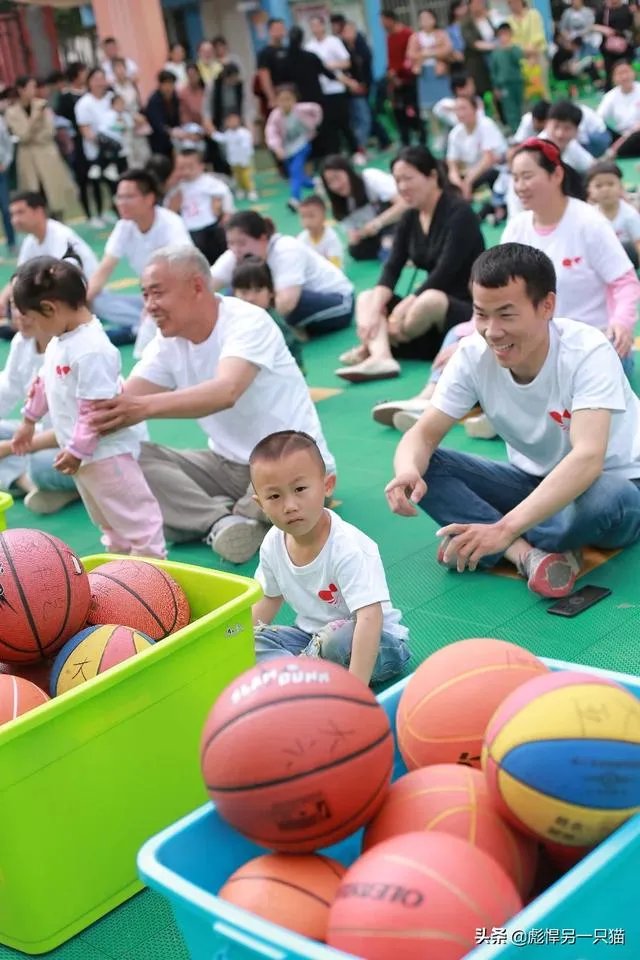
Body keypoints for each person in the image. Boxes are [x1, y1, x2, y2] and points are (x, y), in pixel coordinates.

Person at [385, 243, 640, 598]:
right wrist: (407, 471)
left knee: (600, 497)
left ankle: (485, 539)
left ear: (547, 305)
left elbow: (588, 458)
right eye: (481, 315)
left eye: (506, 314)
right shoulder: (472, 354)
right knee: (425, 468)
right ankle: (525, 555)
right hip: (533, 482)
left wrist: (504, 527)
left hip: (616, 482)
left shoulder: (587, 350)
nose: (491, 331)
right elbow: (422, 434)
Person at [89, 245, 336, 565]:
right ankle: (221, 521)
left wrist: (142, 407)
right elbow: (119, 403)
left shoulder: (247, 321)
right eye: (145, 295)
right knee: (128, 458)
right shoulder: (167, 343)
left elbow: (226, 390)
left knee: (286, 492)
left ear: (196, 286)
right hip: (225, 464)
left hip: (287, 463)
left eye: (157, 293)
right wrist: (35, 438)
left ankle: (223, 514)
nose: (149, 306)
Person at [11, 256, 165, 558]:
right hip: (82, 455)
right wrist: (29, 421)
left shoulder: (92, 349)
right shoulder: (61, 340)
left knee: (138, 521)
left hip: (108, 454)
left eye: (32, 317)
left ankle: (155, 578)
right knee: (107, 521)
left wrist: (77, 450)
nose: (32, 325)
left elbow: (95, 410)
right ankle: (120, 568)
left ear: (50, 309)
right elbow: (43, 382)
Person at [251, 430, 410, 686]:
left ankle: (298, 677)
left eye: (300, 489)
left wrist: (354, 691)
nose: (290, 505)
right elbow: (268, 599)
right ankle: (304, 676)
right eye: (274, 496)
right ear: (260, 504)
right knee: (250, 640)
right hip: (310, 640)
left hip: (376, 645)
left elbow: (370, 619)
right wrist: (236, 643)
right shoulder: (273, 542)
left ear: (327, 485)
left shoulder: (347, 546)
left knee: (335, 639)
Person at [337, 145, 484, 385]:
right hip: (420, 312)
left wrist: (407, 302)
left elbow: (446, 271)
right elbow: (392, 267)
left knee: (429, 299)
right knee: (368, 298)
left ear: (432, 176)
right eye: (397, 180)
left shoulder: (460, 214)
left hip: (459, 309)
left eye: (408, 178)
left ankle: (376, 344)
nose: (402, 187)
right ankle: (382, 356)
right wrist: (376, 310)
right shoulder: (409, 217)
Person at [503, 138, 639, 379]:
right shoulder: (516, 229)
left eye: (527, 176)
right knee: (461, 342)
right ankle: (430, 401)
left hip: (593, 345)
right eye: (515, 178)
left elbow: (625, 282)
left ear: (556, 175)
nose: (519, 186)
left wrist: (621, 323)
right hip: (537, 344)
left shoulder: (589, 223)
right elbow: (499, 291)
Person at [0, 191, 143, 341]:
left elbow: (63, 282)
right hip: (65, 301)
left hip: (87, 295)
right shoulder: (31, 241)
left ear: (39, 211)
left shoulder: (60, 236)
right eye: (13, 215)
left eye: (20, 213)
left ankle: (141, 326)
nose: (15, 220)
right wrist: (3, 301)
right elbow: (19, 277)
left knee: (102, 307)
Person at [86, 169, 193, 351]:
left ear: (149, 198)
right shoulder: (124, 227)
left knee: (159, 311)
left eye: (129, 197)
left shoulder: (171, 224)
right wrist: (80, 305)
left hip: (176, 294)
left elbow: (183, 272)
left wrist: (153, 304)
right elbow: (105, 268)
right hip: (149, 299)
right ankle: (145, 324)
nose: (121, 203)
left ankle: (148, 324)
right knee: (97, 301)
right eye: (119, 197)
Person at [212, 211, 354, 337]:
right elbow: (208, 285)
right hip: (294, 304)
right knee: (234, 292)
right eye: (230, 243)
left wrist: (248, 328)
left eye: (242, 243)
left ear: (263, 238)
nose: (236, 249)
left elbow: (287, 303)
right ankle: (294, 329)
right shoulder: (235, 255)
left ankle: (285, 330)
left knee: (270, 299)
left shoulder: (286, 249)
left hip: (339, 302)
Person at [0, 290, 79, 513]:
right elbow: (7, 388)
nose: (19, 314)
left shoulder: (73, 351)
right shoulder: (23, 342)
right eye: (15, 305)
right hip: (42, 434)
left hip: (80, 447)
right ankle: (30, 483)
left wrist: (7, 448)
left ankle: (28, 481)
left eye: (27, 306)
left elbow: (77, 432)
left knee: (41, 464)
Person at [6, 76, 76, 219]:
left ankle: (58, 223)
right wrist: (35, 120)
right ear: (21, 90)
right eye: (31, 87)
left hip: (47, 154)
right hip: (28, 159)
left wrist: (32, 133)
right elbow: (22, 135)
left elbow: (50, 131)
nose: (34, 90)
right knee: (33, 196)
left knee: (54, 194)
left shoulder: (42, 105)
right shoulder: (12, 112)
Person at [321, 155, 406, 261]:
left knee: (387, 208)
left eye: (337, 177)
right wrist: (359, 234)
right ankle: (391, 245)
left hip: (397, 219)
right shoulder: (339, 205)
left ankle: (392, 244)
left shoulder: (370, 178)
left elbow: (404, 203)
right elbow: (352, 236)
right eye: (330, 182)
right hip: (376, 232)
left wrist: (378, 222)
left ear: (348, 171)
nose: (336, 185)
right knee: (355, 250)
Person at [231, 256, 305, 373]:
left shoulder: (274, 323)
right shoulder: (233, 320)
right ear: (234, 293)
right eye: (244, 292)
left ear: (271, 292)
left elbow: (293, 351)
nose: (251, 298)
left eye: (258, 290)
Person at [164, 149, 233, 265]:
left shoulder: (208, 182)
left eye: (190, 167)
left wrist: (227, 212)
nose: (186, 172)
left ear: (201, 166)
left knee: (220, 252)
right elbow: (168, 206)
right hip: (190, 228)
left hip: (210, 224)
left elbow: (225, 193)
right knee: (198, 258)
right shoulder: (178, 187)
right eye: (181, 168)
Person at [305, 15, 358, 159]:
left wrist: (328, 66)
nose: (315, 29)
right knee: (328, 125)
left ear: (323, 26)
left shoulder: (334, 42)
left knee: (344, 122)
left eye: (318, 25)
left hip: (337, 87)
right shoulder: (309, 47)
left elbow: (347, 63)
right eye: (312, 26)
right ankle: (335, 154)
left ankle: (356, 151)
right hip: (321, 91)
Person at [264, 86, 322, 212]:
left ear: (295, 100)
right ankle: (314, 183)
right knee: (295, 174)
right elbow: (271, 133)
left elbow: (316, 109)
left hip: (302, 144)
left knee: (295, 169)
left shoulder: (301, 109)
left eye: (288, 99)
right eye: (282, 100)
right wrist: (277, 148)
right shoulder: (275, 116)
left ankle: (295, 199)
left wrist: (314, 124)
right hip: (287, 149)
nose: (285, 103)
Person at [407, 8, 452, 151]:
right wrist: (423, 56)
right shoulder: (415, 37)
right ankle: (437, 134)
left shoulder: (441, 34)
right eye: (422, 18)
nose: (425, 21)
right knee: (430, 108)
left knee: (445, 104)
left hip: (439, 72)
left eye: (428, 18)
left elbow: (447, 49)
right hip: (425, 74)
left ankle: (449, 132)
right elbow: (411, 54)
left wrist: (430, 53)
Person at [446, 95, 507, 200]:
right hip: (472, 173)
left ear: (475, 109)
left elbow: (488, 159)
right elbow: (452, 164)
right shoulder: (455, 133)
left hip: (494, 170)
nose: (460, 113)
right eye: (457, 110)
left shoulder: (486, 125)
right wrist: (458, 184)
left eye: (463, 108)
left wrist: (467, 182)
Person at [74, 68, 118, 212]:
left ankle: (118, 209)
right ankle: (98, 213)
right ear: (89, 82)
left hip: (117, 147)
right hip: (96, 149)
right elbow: (85, 129)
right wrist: (102, 142)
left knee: (116, 183)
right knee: (97, 182)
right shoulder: (84, 103)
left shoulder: (112, 98)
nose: (100, 83)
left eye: (102, 78)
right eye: (96, 79)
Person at [381, 10, 425, 146]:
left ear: (390, 19)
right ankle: (405, 140)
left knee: (414, 111)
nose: (382, 24)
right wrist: (392, 75)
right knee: (398, 112)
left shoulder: (407, 34)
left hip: (409, 79)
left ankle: (422, 137)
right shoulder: (389, 37)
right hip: (395, 81)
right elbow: (391, 60)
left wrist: (401, 73)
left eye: (383, 20)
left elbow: (410, 58)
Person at [586, 161, 640, 268]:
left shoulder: (630, 215)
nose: (605, 190)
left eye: (611, 184)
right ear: (590, 191)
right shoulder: (589, 215)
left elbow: (638, 244)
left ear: (621, 187)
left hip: (627, 260)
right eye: (598, 186)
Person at [597, 60, 640, 158]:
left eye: (626, 72)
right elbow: (598, 118)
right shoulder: (610, 96)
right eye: (620, 74)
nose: (624, 77)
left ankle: (616, 152)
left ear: (634, 73)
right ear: (613, 78)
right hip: (622, 135)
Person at [209, 113, 256, 200]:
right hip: (234, 160)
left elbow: (247, 146)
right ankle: (240, 190)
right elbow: (221, 139)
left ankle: (251, 190)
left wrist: (247, 156)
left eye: (234, 120)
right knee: (237, 176)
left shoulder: (244, 133)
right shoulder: (228, 134)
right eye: (229, 121)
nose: (232, 123)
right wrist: (212, 133)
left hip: (244, 159)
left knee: (246, 176)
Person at [507, 0, 548, 99]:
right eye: (510, 2)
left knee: (543, 90)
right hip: (520, 60)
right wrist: (525, 53)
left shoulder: (533, 14)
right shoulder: (508, 21)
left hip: (537, 55)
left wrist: (532, 55)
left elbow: (538, 36)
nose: (514, 4)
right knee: (525, 95)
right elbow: (511, 41)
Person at [490, 23, 524, 132]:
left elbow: (518, 60)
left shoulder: (515, 49)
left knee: (521, 107)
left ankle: (523, 130)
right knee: (510, 109)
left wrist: (510, 49)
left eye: (506, 34)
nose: (504, 37)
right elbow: (494, 71)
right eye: (501, 35)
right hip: (504, 85)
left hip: (517, 82)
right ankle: (515, 131)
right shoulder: (496, 53)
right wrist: (496, 87)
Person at [594, 0, 634, 87]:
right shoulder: (604, 9)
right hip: (609, 49)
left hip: (626, 48)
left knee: (626, 72)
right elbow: (593, 26)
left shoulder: (628, 8)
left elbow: (634, 26)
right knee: (610, 74)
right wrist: (604, 29)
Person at [297, 195, 343, 269]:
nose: (307, 221)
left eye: (311, 216)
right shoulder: (301, 238)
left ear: (324, 216)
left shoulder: (331, 238)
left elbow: (336, 266)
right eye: (303, 217)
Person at [461, 0, 495, 98]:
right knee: (484, 93)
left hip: (495, 59)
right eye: (475, 3)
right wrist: (494, 46)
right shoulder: (466, 23)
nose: (478, 5)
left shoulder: (490, 18)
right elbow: (473, 43)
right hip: (478, 62)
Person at [145, 71, 181, 158]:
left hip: (174, 137)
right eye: (166, 84)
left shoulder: (175, 98)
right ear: (160, 85)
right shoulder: (154, 100)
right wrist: (170, 132)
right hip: (158, 139)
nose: (168, 87)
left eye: (171, 84)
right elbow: (157, 124)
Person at [257, 19, 290, 112]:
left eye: (282, 28)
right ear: (270, 31)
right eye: (277, 29)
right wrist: (271, 98)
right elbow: (264, 76)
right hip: (278, 92)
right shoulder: (265, 53)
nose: (280, 31)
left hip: (291, 92)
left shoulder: (288, 50)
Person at [0, 112, 15, 255]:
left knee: (6, 209)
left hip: (1, 172)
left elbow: (7, 143)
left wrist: (6, 162)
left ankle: (12, 243)